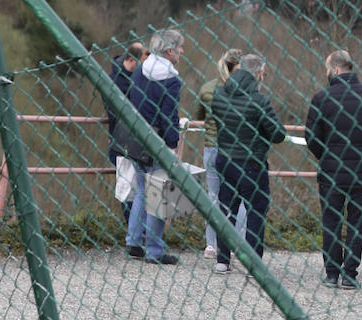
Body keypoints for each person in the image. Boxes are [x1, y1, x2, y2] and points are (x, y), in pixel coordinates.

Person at [304, 49, 362, 290]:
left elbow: (311, 137)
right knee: (357, 221)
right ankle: (350, 274)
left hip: (331, 171)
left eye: (326, 68)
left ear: (334, 69)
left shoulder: (322, 98)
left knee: (331, 221)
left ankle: (332, 273)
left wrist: (326, 157)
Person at [210, 53, 287, 273]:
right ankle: (253, 262)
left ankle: (222, 259)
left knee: (226, 209)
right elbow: (277, 133)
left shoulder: (219, 95)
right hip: (252, 162)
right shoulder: (259, 100)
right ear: (258, 72)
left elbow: (219, 121)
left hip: (225, 159)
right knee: (255, 211)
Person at [118, 29, 186, 266]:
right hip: (157, 143)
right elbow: (168, 115)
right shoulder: (171, 80)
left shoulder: (140, 71)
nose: (182, 52)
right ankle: (155, 250)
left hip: (137, 138)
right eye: (180, 48)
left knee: (141, 189)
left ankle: (134, 241)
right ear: (169, 51)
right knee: (159, 194)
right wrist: (173, 142)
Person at [193, 49, 243, 259]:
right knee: (240, 199)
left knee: (213, 197)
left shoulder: (208, 88)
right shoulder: (242, 90)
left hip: (212, 146)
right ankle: (238, 243)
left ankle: (212, 245)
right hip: (236, 148)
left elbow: (198, 116)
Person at [106, 41, 147, 225]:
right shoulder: (114, 81)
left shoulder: (139, 77)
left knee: (141, 186)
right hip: (122, 141)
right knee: (128, 188)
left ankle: (138, 230)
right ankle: (133, 228)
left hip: (140, 140)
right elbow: (116, 111)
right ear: (132, 60)